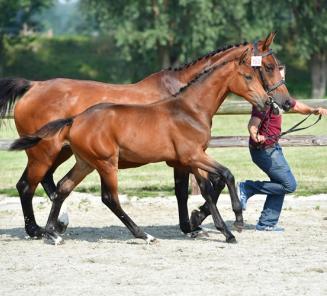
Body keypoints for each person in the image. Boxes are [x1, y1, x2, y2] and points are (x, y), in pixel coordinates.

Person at [238, 67, 327, 231]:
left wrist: (313, 111)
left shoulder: (279, 96)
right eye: (279, 78)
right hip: (264, 150)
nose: (281, 82)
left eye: (282, 78)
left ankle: (267, 223)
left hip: (272, 148)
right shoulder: (263, 101)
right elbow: (253, 123)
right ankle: (247, 187)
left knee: (280, 183)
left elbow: (296, 106)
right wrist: (255, 134)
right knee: (289, 185)